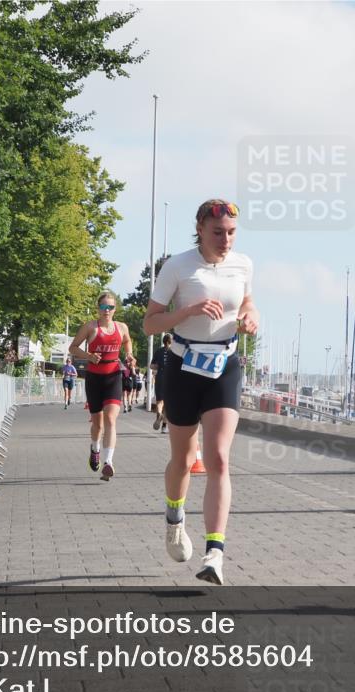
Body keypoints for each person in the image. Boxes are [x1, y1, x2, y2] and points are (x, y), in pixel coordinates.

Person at [144, 199, 257, 585]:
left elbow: (248, 302)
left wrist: (250, 317)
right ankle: (175, 517)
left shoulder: (243, 264)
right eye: (218, 232)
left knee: (218, 459)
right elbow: (150, 323)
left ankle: (214, 553)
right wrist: (187, 312)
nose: (226, 240)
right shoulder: (178, 266)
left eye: (232, 233)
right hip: (183, 366)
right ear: (200, 229)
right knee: (182, 458)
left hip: (224, 365)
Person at [69, 292, 136, 480]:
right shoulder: (90, 327)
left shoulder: (121, 327)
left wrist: (129, 355)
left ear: (115, 309)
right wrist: (88, 356)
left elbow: (127, 341)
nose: (107, 310)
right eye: (103, 307)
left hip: (113, 376)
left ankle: (108, 462)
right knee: (97, 425)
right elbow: (73, 347)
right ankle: (95, 448)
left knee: (111, 419)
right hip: (94, 379)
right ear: (98, 308)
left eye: (110, 307)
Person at [150, 334, 172, 433]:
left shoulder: (158, 351)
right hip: (170, 378)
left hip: (160, 377)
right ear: (171, 342)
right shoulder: (174, 351)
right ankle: (164, 426)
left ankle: (159, 414)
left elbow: (151, 366)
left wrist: (158, 366)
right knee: (167, 404)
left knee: (159, 401)